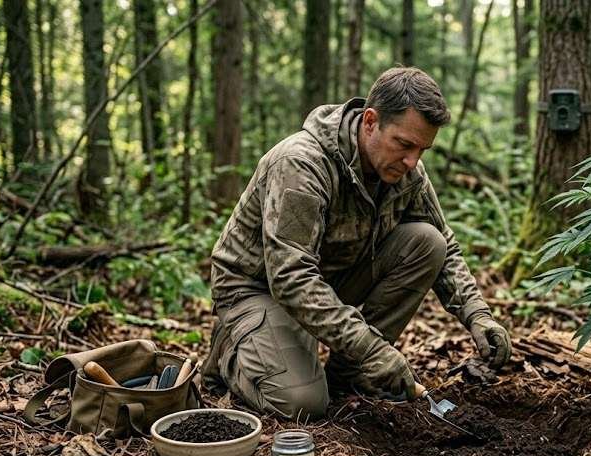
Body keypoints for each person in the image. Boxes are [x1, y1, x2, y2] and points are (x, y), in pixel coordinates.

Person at [202, 67, 511, 420]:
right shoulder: (301, 165)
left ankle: (347, 375)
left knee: (428, 243)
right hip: (256, 287)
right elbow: (290, 278)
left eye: (423, 149)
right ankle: (232, 352)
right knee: (302, 403)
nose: (413, 161)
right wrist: (372, 348)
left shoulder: (406, 171)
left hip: (328, 277)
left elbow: (446, 246)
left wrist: (478, 316)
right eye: (405, 145)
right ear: (369, 122)